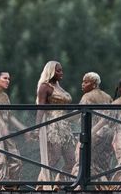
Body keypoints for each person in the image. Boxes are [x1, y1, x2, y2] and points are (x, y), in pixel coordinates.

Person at [0, 71, 31, 191]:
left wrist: (23, 128)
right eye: (5, 78)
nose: (8, 81)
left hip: (4, 130)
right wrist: (3, 125)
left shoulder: (5, 96)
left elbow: (10, 116)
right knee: (0, 161)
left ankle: (9, 187)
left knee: (16, 160)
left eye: (9, 79)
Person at [35, 61, 76, 191]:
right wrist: (37, 128)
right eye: (58, 71)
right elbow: (40, 108)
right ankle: (41, 185)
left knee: (71, 160)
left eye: (61, 70)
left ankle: (58, 181)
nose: (61, 73)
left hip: (65, 126)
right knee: (54, 158)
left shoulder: (59, 86)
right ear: (51, 71)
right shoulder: (44, 87)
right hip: (52, 125)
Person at [70, 72, 113, 191]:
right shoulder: (108, 96)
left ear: (94, 84)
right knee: (102, 162)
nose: (82, 84)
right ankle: (105, 186)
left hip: (94, 132)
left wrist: (62, 118)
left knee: (82, 158)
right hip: (108, 133)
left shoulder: (87, 97)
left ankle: (78, 185)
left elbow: (80, 113)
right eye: (82, 81)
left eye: (86, 82)